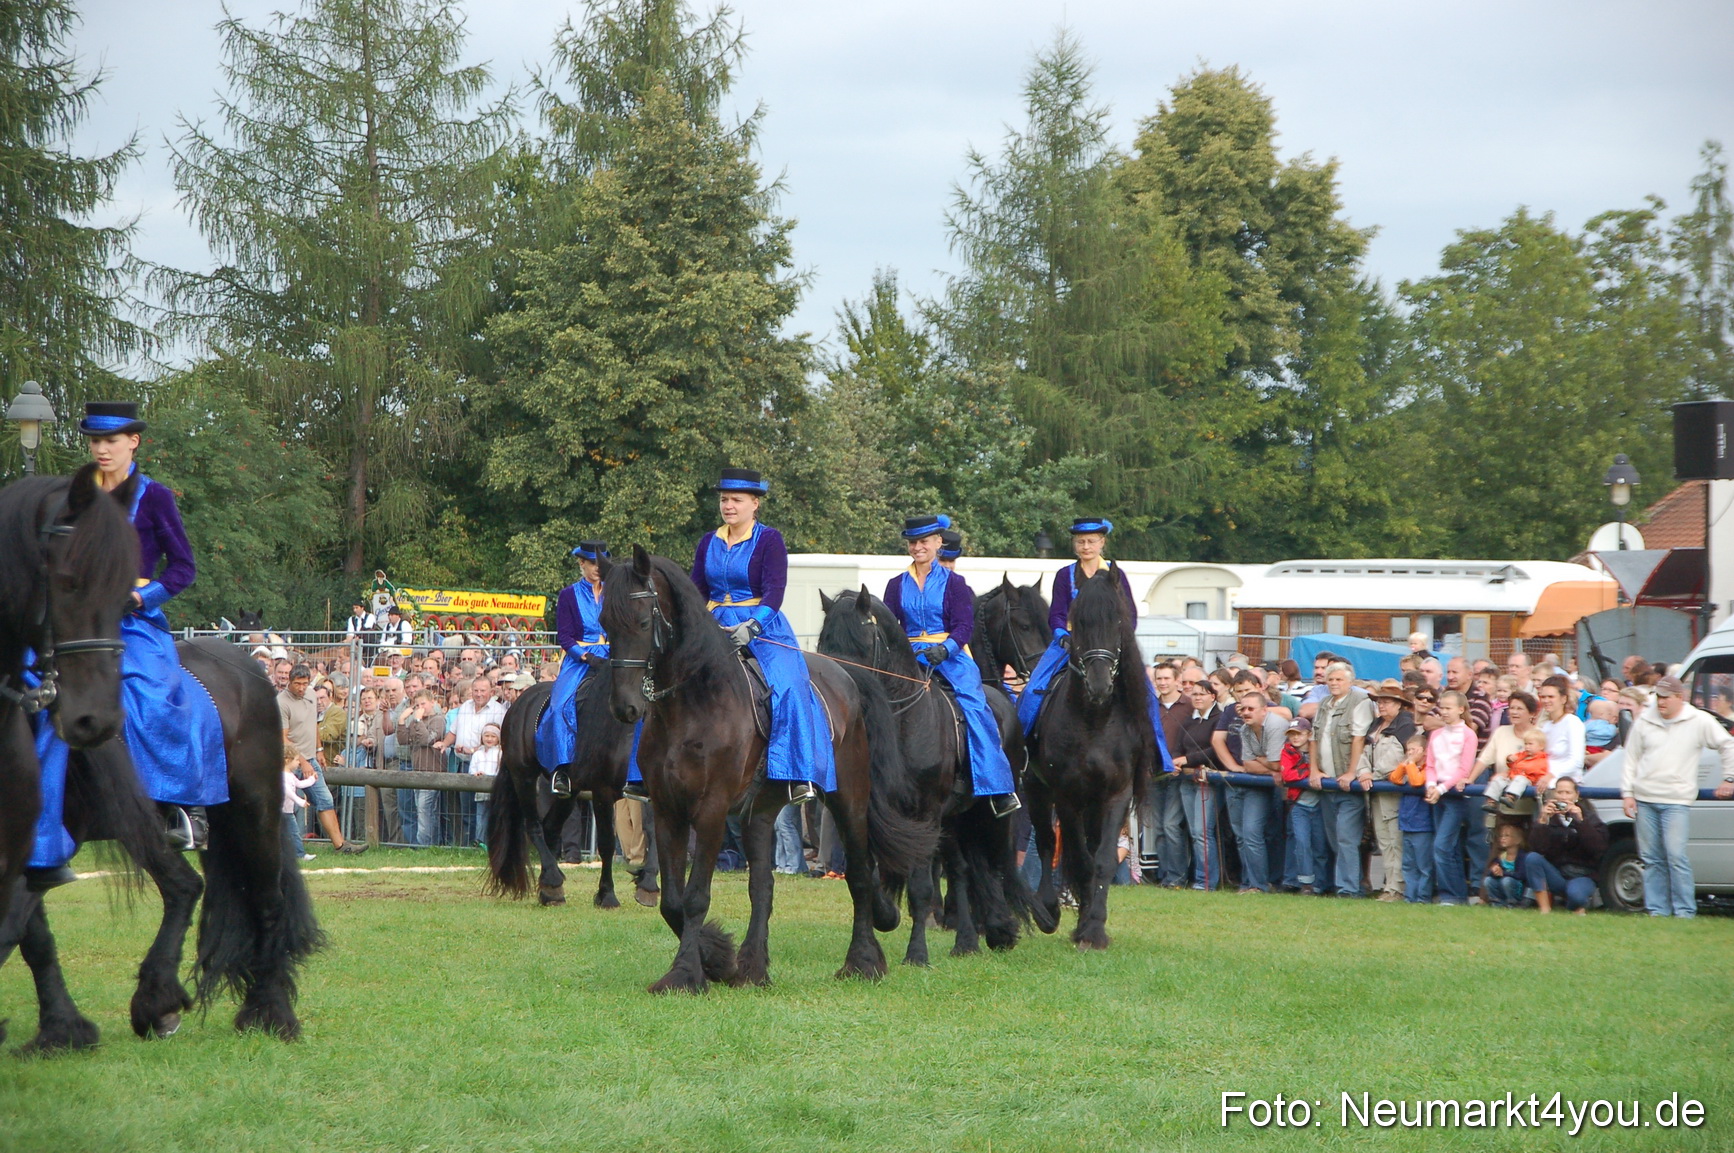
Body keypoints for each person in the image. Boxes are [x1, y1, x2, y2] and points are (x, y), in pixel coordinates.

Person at [684, 466, 833, 802]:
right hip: (712, 623)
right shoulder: (708, 540)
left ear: (755, 504)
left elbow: (775, 590)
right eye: (724, 499)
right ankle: (642, 775)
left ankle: (798, 775)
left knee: (791, 686)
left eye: (736, 500)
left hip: (760, 624)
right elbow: (696, 588)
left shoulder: (770, 539)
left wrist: (751, 627)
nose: (728, 506)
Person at [884, 514, 1019, 816]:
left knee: (975, 706)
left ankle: (997, 787)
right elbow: (891, 626)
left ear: (937, 543)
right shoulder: (895, 585)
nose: (918, 547)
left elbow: (963, 625)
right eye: (913, 542)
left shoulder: (954, 583)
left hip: (949, 655)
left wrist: (944, 650)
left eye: (924, 542)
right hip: (907, 655)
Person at [1016, 517, 1171, 772]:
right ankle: (1022, 750)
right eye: (1080, 542)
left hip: (1108, 645)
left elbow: (1129, 614)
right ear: (1075, 545)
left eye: (1091, 541)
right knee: (1033, 690)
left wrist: (1118, 639)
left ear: (1102, 543)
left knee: (1146, 693)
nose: (1086, 546)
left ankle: (1156, 756)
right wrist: (1061, 635)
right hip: (1070, 643)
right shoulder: (1064, 575)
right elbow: (1056, 614)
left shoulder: (1116, 574)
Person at [1620, 676, 1734, 917]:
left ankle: (1684, 911)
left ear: (1679, 697)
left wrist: (1729, 778)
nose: (1661, 702)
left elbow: (1728, 745)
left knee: (1675, 856)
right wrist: (1628, 793)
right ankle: (1657, 910)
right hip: (1645, 798)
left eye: (1666, 697)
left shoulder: (1699, 720)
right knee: (1651, 858)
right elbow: (1630, 759)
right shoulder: (1644, 721)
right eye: (1658, 697)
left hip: (1677, 800)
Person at [543, 540, 612, 799]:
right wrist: (585, 656)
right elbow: (565, 636)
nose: (598, 568)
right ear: (581, 563)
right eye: (593, 563)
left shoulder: (614, 590)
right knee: (560, 705)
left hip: (614, 655)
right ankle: (562, 769)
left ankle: (636, 772)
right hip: (580, 658)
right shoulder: (568, 595)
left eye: (602, 563)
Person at [279, 663, 365, 854]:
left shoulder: (311, 694)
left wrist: (318, 750)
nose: (301, 688)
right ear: (289, 682)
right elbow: (282, 737)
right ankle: (290, 850)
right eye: (297, 684)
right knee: (287, 809)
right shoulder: (281, 702)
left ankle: (341, 846)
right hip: (289, 763)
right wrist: (302, 761)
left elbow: (313, 724)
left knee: (325, 800)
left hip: (311, 758)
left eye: (304, 683)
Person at [1310, 662, 1374, 898]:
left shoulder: (1360, 701)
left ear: (1350, 681)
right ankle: (1348, 884)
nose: (1334, 683)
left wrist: (1351, 771)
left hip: (1349, 783)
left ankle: (1349, 889)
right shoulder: (1324, 703)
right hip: (1327, 781)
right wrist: (1314, 769)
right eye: (1331, 679)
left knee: (1347, 836)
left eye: (1339, 679)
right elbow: (1314, 738)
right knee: (1334, 837)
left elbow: (1359, 739)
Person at [1226, 691, 1286, 893]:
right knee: (1248, 833)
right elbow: (1248, 765)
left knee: (1272, 833)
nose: (1246, 712)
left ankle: (1268, 883)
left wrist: (1263, 761)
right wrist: (1268, 764)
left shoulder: (1276, 725)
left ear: (1264, 710)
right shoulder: (1244, 729)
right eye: (1243, 708)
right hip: (1260, 783)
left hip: (1286, 787)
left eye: (1251, 709)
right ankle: (1254, 883)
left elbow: (1278, 765)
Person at [1363, 682, 1417, 902]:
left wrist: (1371, 775)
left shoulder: (1405, 725)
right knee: (1384, 840)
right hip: (1375, 793)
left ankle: (1398, 888)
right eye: (1379, 702)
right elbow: (1362, 754)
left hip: (1393, 792)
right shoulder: (1374, 725)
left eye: (1385, 702)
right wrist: (1363, 771)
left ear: (1398, 704)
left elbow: (1396, 760)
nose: (1381, 706)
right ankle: (1389, 887)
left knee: (1396, 840)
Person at [1520, 778, 1607, 914]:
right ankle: (1544, 908)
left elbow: (1598, 848)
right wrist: (1542, 821)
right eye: (1560, 792)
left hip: (1582, 875)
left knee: (1576, 897)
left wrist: (1580, 822)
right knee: (1532, 858)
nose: (1564, 797)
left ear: (1576, 795)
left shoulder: (1589, 817)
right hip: (1557, 873)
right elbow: (1537, 848)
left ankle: (1578, 904)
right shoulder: (1550, 817)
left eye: (1568, 793)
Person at [1425, 690, 1479, 905]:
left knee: (1442, 845)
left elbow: (1464, 769)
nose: (1444, 712)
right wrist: (1431, 785)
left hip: (1455, 796)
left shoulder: (1468, 734)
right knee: (1450, 846)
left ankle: (1451, 894)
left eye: (1448, 708)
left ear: (1460, 709)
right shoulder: (1436, 735)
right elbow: (1430, 764)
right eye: (1442, 707)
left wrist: (1440, 789)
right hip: (1438, 793)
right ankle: (1457, 894)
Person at [1170, 680, 1224, 890]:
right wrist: (1175, 761)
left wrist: (1187, 760)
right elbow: (1177, 746)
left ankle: (1206, 880)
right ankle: (1197, 876)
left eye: (1202, 694)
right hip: (1187, 780)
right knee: (1194, 832)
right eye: (1194, 694)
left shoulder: (1219, 719)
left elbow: (1215, 749)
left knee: (1203, 832)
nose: (1198, 697)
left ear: (1213, 696)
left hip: (1207, 781)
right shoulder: (1190, 720)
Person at [1149, 662, 1192, 888]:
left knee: (1171, 825)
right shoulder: (1150, 706)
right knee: (1157, 827)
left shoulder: (1189, 706)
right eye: (1159, 678)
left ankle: (1177, 876)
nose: (1163, 683)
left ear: (1178, 680)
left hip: (1179, 774)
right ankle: (1164, 875)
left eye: (1167, 678)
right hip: (1154, 774)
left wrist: (1185, 761)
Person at [451, 673, 506, 844]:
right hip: (463, 764)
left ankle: (486, 843)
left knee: (485, 810)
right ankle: (470, 844)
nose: (479, 694)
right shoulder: (465, 706)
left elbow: (500, 739)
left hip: (487, 769)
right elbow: (453, 731)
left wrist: (474, 750)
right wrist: (444, 744)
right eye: (475, 690)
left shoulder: (499, 711)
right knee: (467, 809)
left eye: (483, 690)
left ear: (491, 691)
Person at [399, 690, 448, 848]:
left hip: (432, 772)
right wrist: (401, 720)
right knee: (424, 811)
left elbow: (427, 739)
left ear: (432, 702)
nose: (420, 708)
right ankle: (431, 845)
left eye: (423, 704)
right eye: (417, 705)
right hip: (418, 770)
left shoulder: (438, 720)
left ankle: (423, 845)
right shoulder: (415, 721)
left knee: (425, 810)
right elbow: (404, 740)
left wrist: (418, 720)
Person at [1280, 717, 1324, 893]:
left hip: (1320, 803)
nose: (1295, 738)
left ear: (1308, 734)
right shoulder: (1288, 751)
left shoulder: (1319, 750)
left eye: (1299, 734)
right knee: (1302, 842)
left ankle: (1321, 883)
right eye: (1292, 734)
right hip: (1299, 803)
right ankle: (1306, 882)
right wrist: (1311, 772)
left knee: (1320, 845)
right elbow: (1288, 776)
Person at [1389, 733, 1435, 903]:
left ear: (1424, 751)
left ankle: (1423, 897)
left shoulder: (1427, 769)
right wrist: (1406, 764)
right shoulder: (1410, 765)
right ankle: (1410, 897)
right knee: (1408, 864)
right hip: (1407, 823)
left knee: (1423, 865)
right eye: (1408, 750)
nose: (1410, 754)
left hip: (1423, 825)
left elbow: (1417, 782)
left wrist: (1412, 764)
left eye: (1414, 750)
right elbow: (1395, 778)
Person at [1482, 727, 1550, 812]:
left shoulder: (1543, 759)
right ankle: (1492, 801)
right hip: (1513, 778)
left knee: (1520, 779)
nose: (1527, 747)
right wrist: (1509, 759)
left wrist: (1520, 768)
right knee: (1499, 779)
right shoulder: (1522, 755)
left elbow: (1536, 771)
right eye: (1525, 744)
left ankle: (1511, 798)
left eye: (1530, 744)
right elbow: (1512, 764)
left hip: (1529, 780)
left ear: (1541, 746)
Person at [1535, 675, 1586, 788]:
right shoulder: (1546, 726)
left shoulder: (1572, 722)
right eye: (1543, 697)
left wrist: (1552, 775)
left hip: (1566, 785)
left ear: (1563, 699)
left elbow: (1576, 762)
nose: (1546, 700)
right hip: (1544, 780)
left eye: (1551, 697)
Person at [282, 745, 319, 864]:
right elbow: (287, 791)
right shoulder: (281, 776)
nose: (299, 763)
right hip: (280, 812)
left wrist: (312, 779)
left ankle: (300, 854)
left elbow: (300, 784)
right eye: (297, 760)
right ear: (288, 760)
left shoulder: (291, 776)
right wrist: (299, 801)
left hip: (288, 812)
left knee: (294, 833)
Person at [469, 722, 503, 846]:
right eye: (486, 735)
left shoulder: (500, 753)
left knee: (494, 818)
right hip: (481, 793)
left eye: (493, 736)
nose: (489, 739)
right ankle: (479, 841)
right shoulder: (477, 754)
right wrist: (476, 774)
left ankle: (494, 843)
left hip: (496, 792)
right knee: (480, 817)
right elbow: (472, 769)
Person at [1481, 823, 1527, 907]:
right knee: (1488, 880)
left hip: (1517, 889)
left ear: (1518, 840)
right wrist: (1494, 870)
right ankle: (1497, 902)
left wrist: (1503, 873)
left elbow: (1522, 875)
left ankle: (1513, 903)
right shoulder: (1501, 856)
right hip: (1502, 885)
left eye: (1507, 836)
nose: (1503, 838)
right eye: (1501, 836)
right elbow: (1490, 873)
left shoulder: (1522, 856)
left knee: (1507, 881)